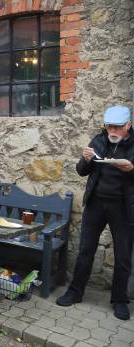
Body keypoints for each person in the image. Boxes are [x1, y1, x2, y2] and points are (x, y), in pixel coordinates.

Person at [56, 105, 134, 321]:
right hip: (96, 204)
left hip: (123, 207)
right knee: (85, 250)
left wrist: (131, 170)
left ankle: (119, 300)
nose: (113, 131)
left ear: (128, 125)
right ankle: (75, 292)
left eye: (118, 127)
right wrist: (86, 159)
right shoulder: (98, 141)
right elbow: (81, 171)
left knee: (123, 255)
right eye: (110, 126)